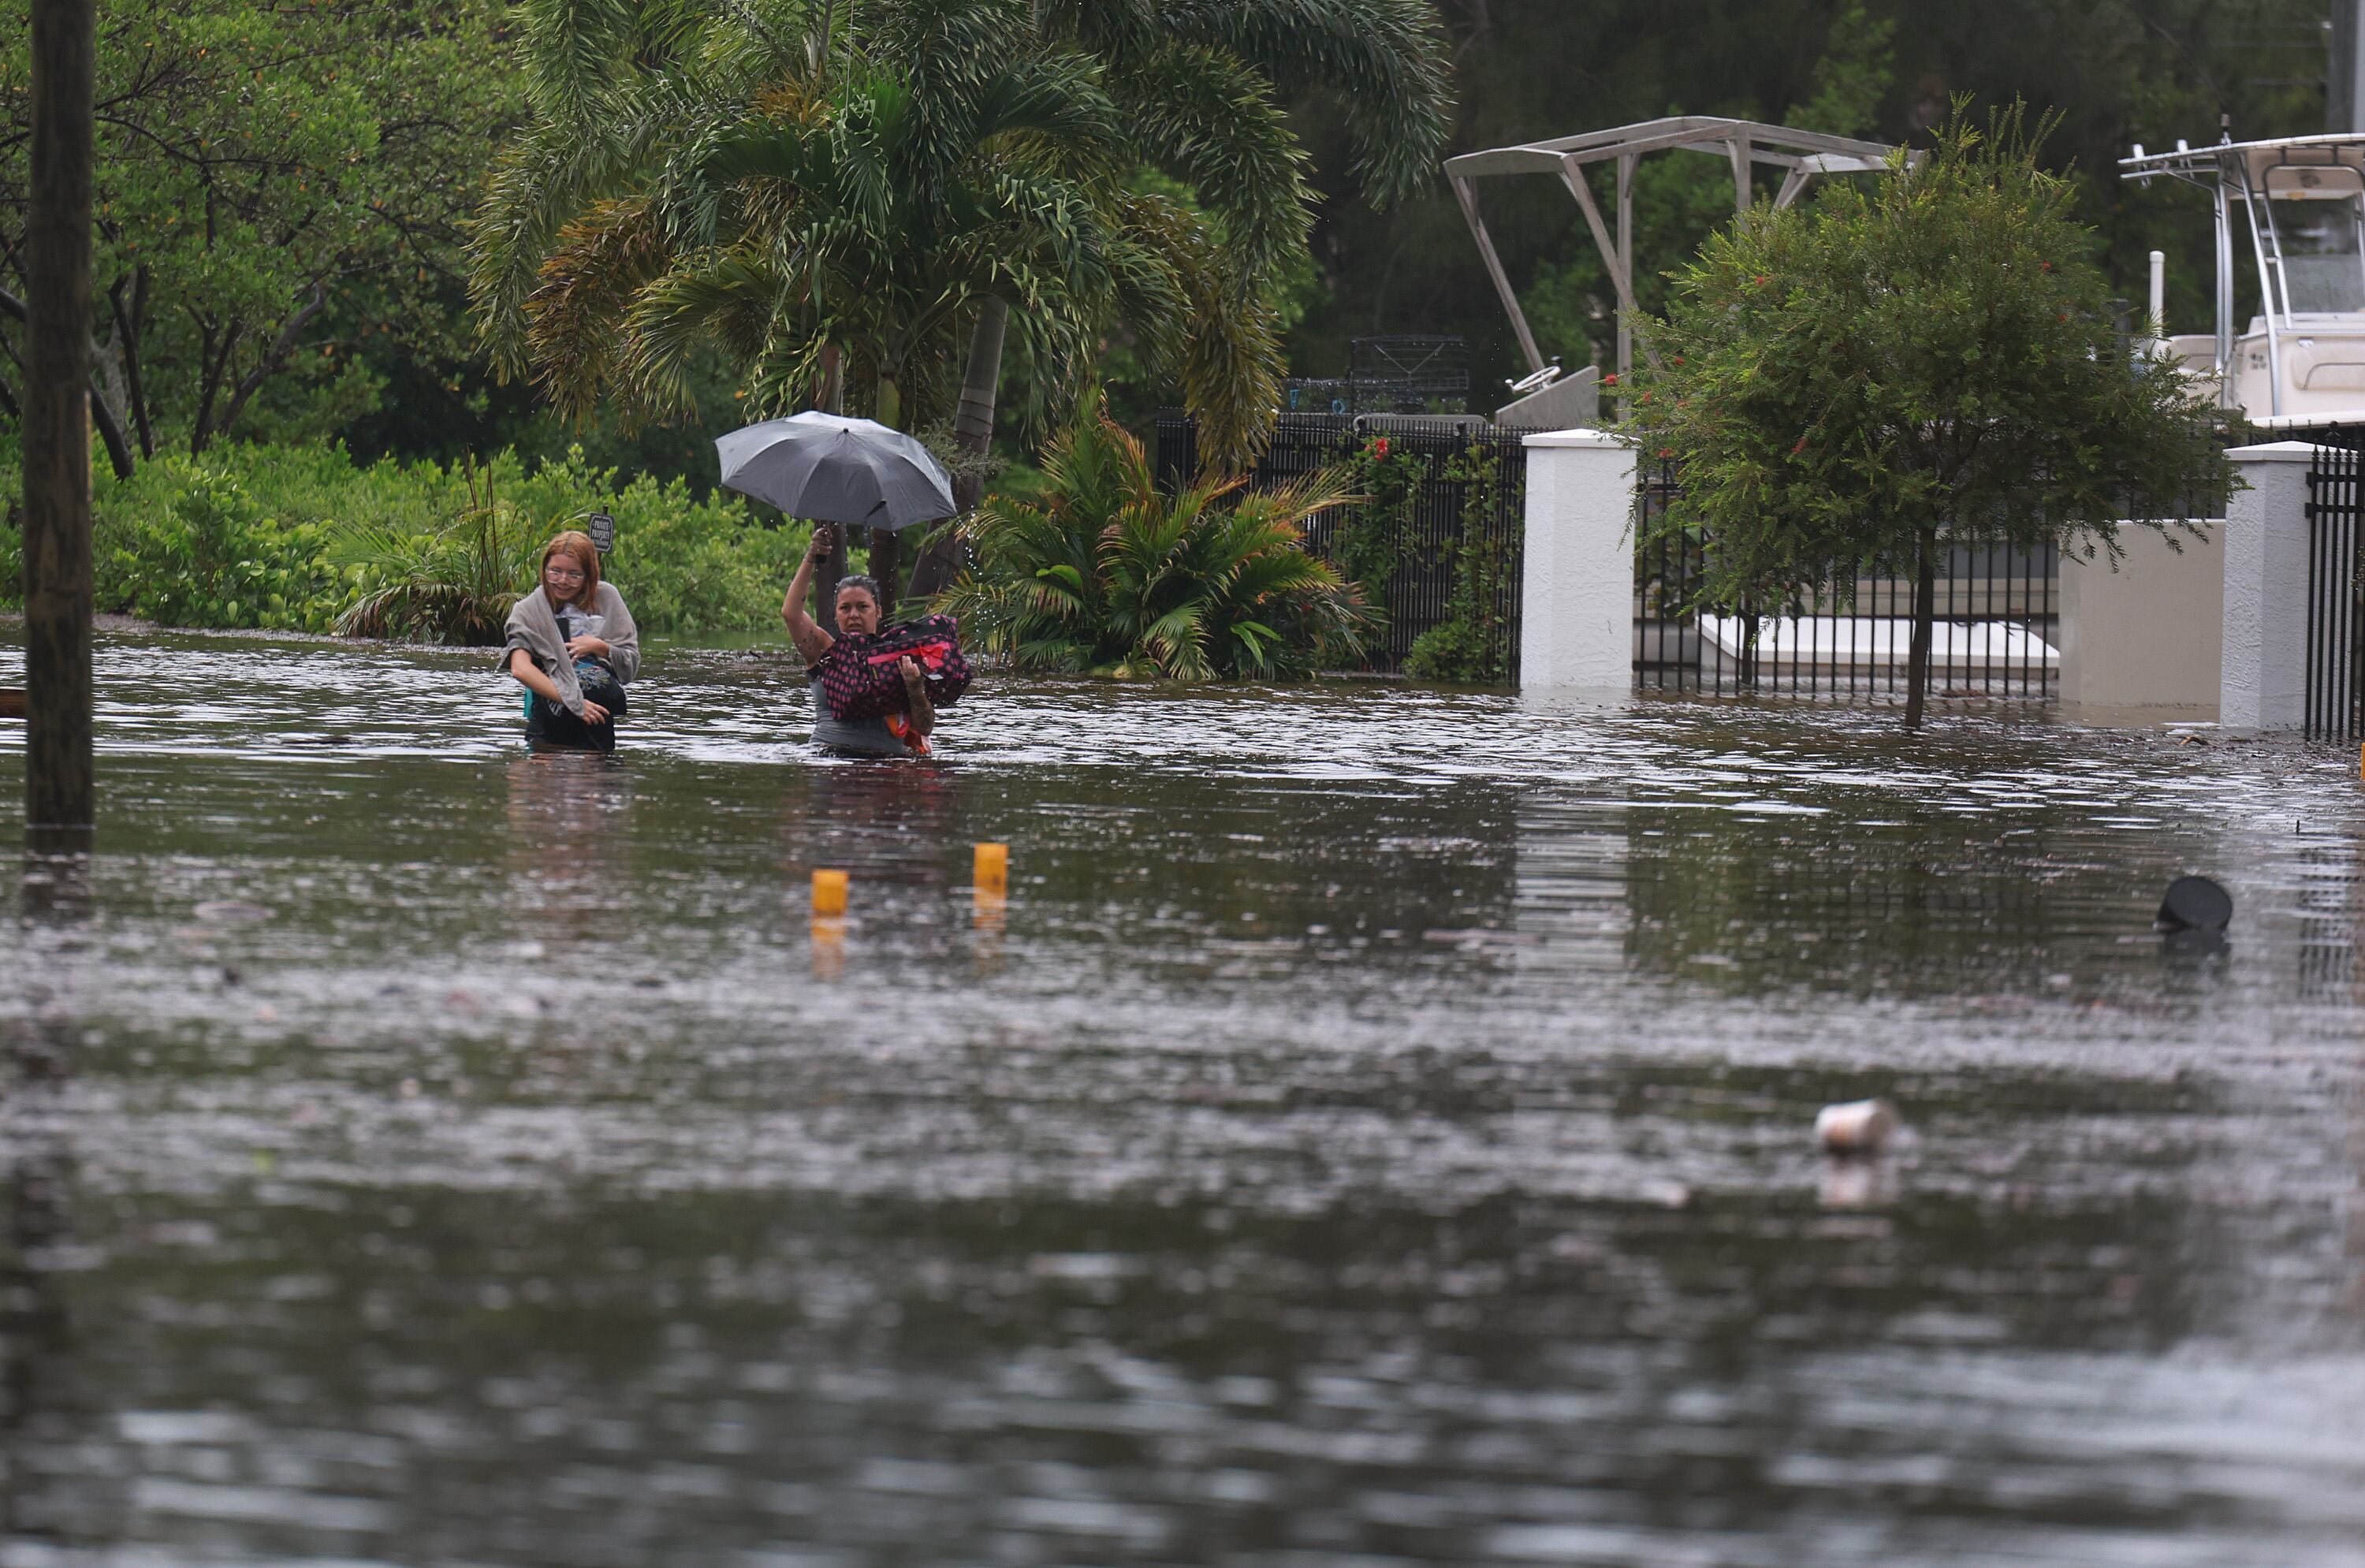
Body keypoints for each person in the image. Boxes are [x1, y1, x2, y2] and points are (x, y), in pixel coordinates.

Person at [783, 523, 934, 756]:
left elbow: (925, 726)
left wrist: (915, 688)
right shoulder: (824, 651)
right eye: (845, 608)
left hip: (885, 765)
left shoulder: (902, 659)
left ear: (879, 611)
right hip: (828, 757)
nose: (854, 615)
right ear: (836, 613)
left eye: (863, 607)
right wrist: (811, 556)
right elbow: (791, 614)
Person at [503, 531, 640, 752]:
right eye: (555, 571)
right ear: (544, 569)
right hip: (549, 719)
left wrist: (600, 647)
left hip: (597, 717)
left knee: (596, 780)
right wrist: (574, 702)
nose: (563, 581)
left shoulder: (607, 598)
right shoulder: (528, 610)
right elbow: (520, 668)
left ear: (589, 574)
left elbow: (630, 661)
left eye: (574, 574)